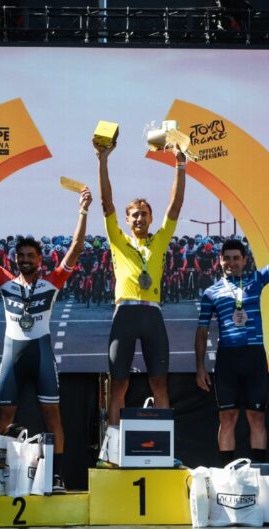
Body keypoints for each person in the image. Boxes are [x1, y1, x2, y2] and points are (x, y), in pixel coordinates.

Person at [0, 187, 90, 492]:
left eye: (30, 256)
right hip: (13, 355)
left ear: (39, 259)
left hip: (42, 355)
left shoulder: (51, 283)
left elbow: (76, 247)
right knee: (4, 417)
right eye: (20, 256)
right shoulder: (5, 282)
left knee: (52, 418)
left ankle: (56, 476)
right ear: (15, 258)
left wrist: (83, 210)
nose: (24, 260)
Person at [195, 198, 269, 465]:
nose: (231, 262)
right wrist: (199, 367)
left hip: (254, 357)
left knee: (256, 417)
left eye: (236, 258)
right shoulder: (211, 293)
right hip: (227, 359)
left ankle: (259, 471)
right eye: (227, 258)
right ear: (220, 261)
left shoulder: (256, 280)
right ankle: (226, 473)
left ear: (244, 260)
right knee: (227, 417)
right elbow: (201, 331)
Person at [97, 138, 187, 429]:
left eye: (144, 214)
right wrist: (103, 160)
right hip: (124, 314)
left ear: (150, 218)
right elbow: (106, 203)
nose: (139, 218)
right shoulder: (117, 239)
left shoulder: (159, 239)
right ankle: (113, 443)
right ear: (126, 219)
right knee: (119, 384)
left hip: (152, 314)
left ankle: (164, 441)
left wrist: (180, 165)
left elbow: (175, 207)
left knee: (159, 383)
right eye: (134, 215)